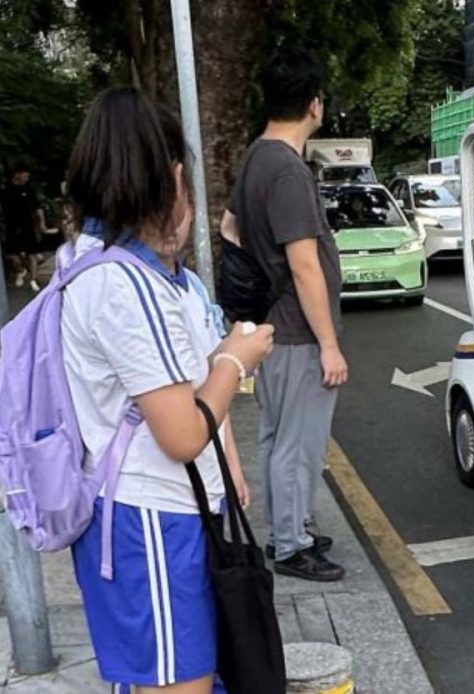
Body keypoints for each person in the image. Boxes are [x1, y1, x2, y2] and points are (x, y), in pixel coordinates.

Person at [64, 87, 275, 693]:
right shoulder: (121, 286)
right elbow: (182, 431)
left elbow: (189, 376)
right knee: (176, 682)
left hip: (168, 513)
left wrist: (230, 467)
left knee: (186, 677)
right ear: (169, 175)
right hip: (149, 519)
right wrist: (236, 361)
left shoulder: (146, 274)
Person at [221, 47, 347, 582]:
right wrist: (331, 345)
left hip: (273, 323)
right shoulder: (289, 171)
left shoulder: (256, 156)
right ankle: (292, 545)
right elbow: (306, 266)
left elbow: (230, 229)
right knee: (299, 444)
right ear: (315, 105)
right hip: (298, 329)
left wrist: (259, 279)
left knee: (277, 437)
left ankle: (286, 528)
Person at [1, 161, 46, 291]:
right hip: (11, 227)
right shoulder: (5, 190)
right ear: (17, 175)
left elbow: (37, 208)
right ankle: (21, 270)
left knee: (32, 254)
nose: (27, 179)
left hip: (27, 225)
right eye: (25, 176)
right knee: (11, 256)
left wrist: (42, 223)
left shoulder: (28, 190)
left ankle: (33, 280)